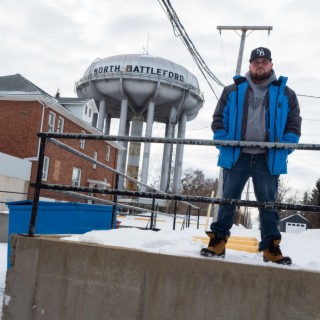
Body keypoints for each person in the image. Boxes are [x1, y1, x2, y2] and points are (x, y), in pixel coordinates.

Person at [200, 47, 302, 265]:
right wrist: (223, 141)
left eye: (264, 61)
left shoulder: (286, 93)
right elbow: (218, 120)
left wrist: (285, 147)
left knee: (268, 205)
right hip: (238, 156)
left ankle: (270, 249)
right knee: (227, 200)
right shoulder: (232, 90)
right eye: (256, 61)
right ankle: (217, 243)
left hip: (268, 158)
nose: (260, 64)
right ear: (250, 65)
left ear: (271, 65)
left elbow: (293, 125)